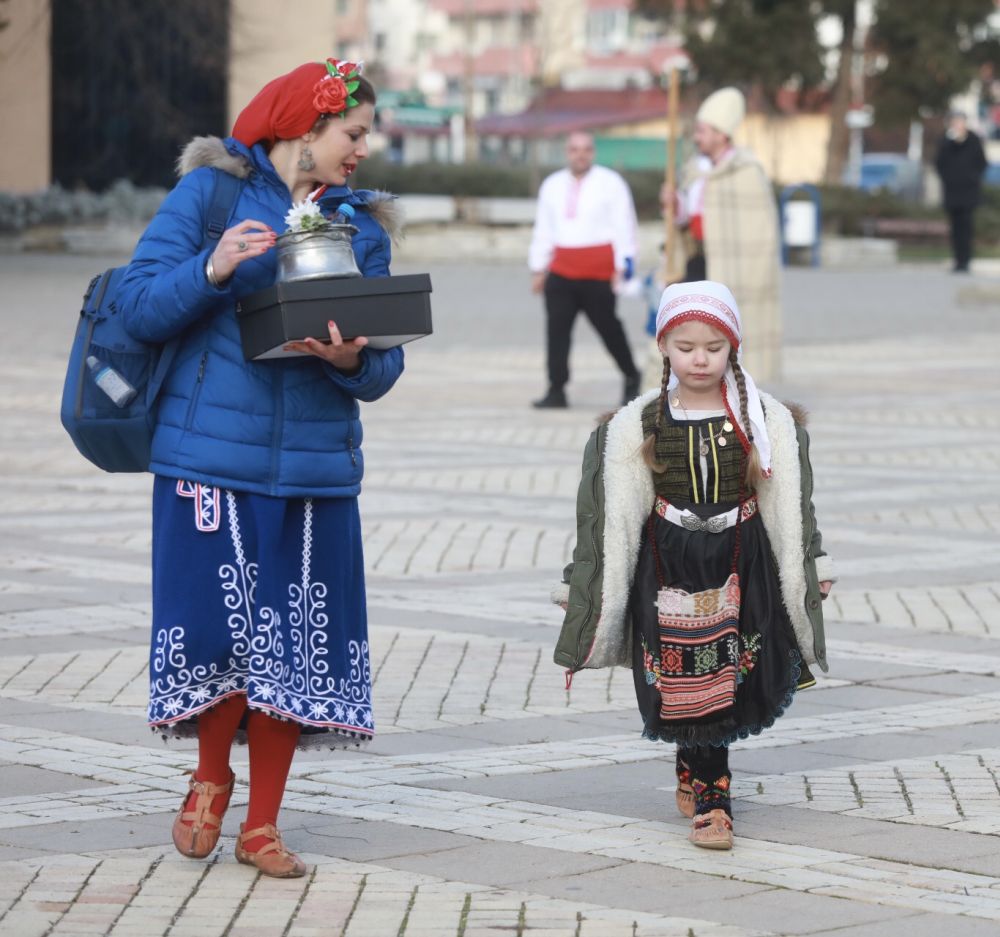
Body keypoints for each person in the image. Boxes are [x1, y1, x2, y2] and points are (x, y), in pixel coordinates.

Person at [116, 58, 404, 878]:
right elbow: (138, 305)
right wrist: (211, 269)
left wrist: (350, 358)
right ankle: (210, 778)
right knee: (224, 636)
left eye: (365, 135)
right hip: (208, 457)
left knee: (294, 649)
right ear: (303, 129)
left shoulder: (361, 227)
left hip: (315, 469)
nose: (362, 150)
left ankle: (264, 825)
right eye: (352, 133)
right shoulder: (209, 196)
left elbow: (383, 370)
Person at [553, 280, 834, 850]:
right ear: (663, 346)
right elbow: (603, 511)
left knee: (728, 674)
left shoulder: (766, 422)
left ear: (734, 347)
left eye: (713, 345)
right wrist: (583, 581)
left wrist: (813, 564)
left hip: (743, 557)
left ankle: (710, 786)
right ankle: (704, 782)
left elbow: (795, 502)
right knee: (686, 675)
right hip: (668, 563)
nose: (699, 357)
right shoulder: (635, 425)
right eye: (685, 346)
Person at [661, 88, 781, 381]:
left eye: (702, 130)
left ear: (721, 134)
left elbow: (759, 231)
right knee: (688, 326)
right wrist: (674, 205)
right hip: (698, 261)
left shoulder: (746, 171)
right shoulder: (695, 171)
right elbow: (688, 218)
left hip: (732, 268)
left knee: (725, 330)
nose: (696, 137)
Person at [529, 132, 641, 409]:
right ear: (566, 152)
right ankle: (556, 388)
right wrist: (538, 268)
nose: (580, 154)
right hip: (561, 270)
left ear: (593, 152)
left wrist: (623, 266)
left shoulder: (610, 183)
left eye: (586, 149)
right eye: (574, 149)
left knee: (608, 328)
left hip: (598, 272)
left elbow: (624, 226)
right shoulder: (552, 185)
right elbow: (544, 228)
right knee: (557, 332)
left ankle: (630, 375)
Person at [935, 111, 987, 273]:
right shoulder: (945, 142)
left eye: (959, 122)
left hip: (969, 191)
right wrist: (948, 178)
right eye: (954, 122)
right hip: (952, 191)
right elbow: (939, 163)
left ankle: (966, 260)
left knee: (966, 227)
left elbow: (982, 163)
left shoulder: (973, 140)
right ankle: (958, 260)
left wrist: (972, 178)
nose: (957, 125)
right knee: (955, 228)